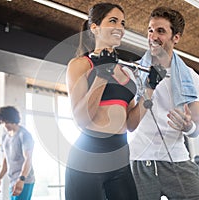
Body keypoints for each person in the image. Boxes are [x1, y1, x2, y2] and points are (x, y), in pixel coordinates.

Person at [65, 2, 159, 200]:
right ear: (95, 27)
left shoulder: (126, 73)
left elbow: (131, 124)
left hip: (119, 157)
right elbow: (81, 119)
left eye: (123, 23)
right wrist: (101, 75)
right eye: (113, 21)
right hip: (88, 158)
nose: (120, 28)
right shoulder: (81, 65)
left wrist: (150, 89)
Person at [129, 7, 199, 200]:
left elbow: (197, 127)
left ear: (176, 37)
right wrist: (149, 86)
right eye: (150, 30)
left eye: (160, 31)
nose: (153, 36)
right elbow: (129, 125)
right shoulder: (135, 72)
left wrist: (189, 127)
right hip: (141, 160)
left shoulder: (191, 77)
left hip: (177, 159)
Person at [0, 106, 35, 200]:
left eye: (6, 122)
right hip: (12, 181)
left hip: (25, 180)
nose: (4, 125)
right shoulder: (5, 137)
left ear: (13, 119)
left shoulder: (24, 135)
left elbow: (28, 159)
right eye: (2, 122)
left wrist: (21, 179)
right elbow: (5, 160)